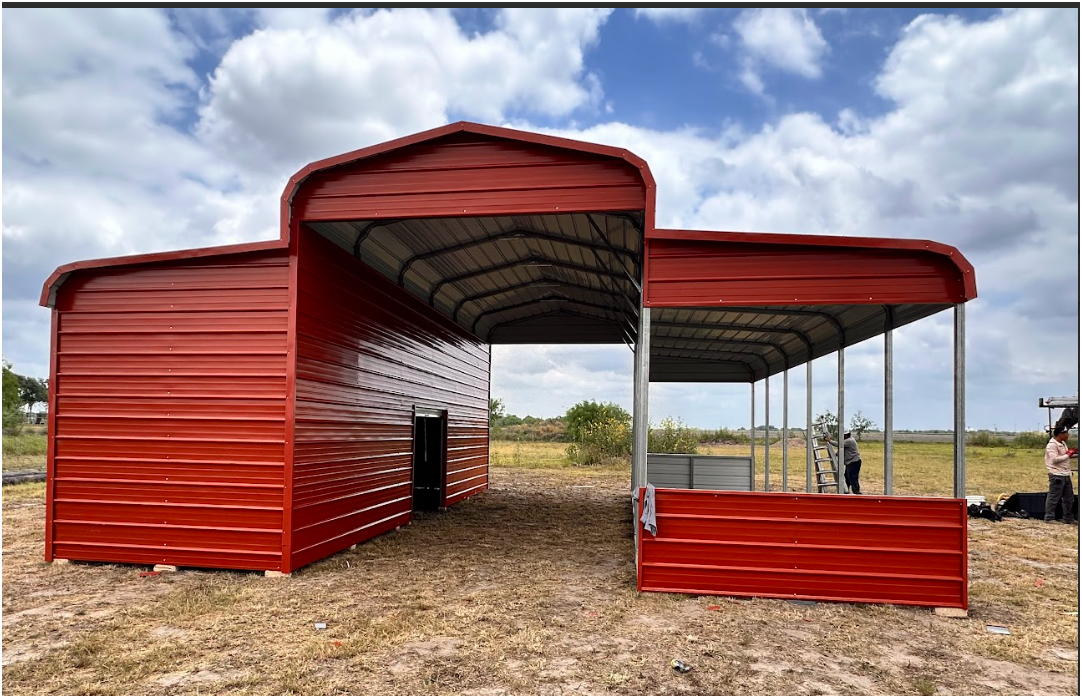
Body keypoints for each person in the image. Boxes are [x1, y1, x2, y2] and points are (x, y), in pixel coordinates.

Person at [1044, 425, 1078, 524]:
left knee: (1069, 498)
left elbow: (1065, 456)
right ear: (1060, 434)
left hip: (1066, 473)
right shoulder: (1052, 445)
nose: (1067, 435)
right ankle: (1049, 518)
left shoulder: (1062, 443)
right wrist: (1068, 454)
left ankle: (1068, 517)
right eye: (1066, 433)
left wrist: (1074, 454)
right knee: (1054, 497)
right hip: (1056, 474)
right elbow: (1054, 460)